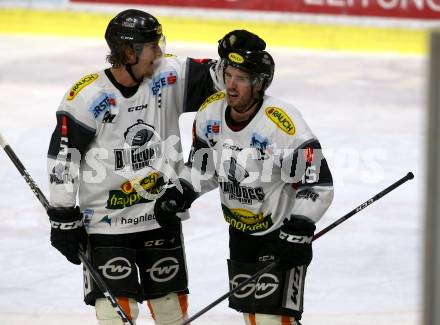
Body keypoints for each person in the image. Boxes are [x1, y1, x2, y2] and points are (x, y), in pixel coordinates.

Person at [46, 8, 266, 325]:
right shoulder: (88, 96)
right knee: (114, 317)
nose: (159, 52)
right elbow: (64, 158)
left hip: (160, 217)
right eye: (152, 46)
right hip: (107, 226)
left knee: (171, 314)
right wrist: (63, 215)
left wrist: (232, 59)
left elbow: (220, 82)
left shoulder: (167, 75)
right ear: (127, 52)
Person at [154, 32, 334, 324]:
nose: (231, 84)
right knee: (254, 316)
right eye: (228, 75)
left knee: (270, 319)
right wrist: (181, 191)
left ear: (259, 84)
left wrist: (300, 226)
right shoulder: (210, 114)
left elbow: (317, 184)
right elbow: (204, 167)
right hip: (240, 231)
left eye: (240, 78)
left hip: (279, 234)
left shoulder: (282, 124)